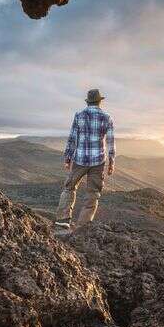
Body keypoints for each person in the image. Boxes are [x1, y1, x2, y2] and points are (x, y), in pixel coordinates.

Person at [55, 88, 115, 229]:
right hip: (98, 161)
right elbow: (111, 142)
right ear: (99, 101)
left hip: (80, 159)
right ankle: (83, 226)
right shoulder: (107, 117)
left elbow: (72, 138)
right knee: (93, 192)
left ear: (88, 102)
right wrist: (112, 162)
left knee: (69, 188)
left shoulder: (79, 115)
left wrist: (67, 158)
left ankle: (63, 221)